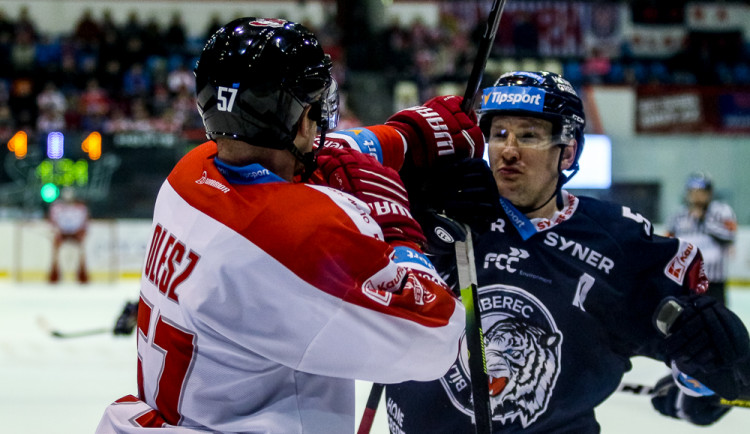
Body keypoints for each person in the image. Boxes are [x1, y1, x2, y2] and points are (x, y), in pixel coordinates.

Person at [96, 17, 484, 433]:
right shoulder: (299, 238)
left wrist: (405, 136)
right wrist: (396, 227)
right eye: (313, 106)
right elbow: (436, 340)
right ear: (301, 120)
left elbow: (318, 154)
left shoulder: (192, 174)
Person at [383, 71, 750, 433]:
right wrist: (409, 205)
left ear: (568, 151)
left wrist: (709, 373)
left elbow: (704, 367)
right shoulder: (437, 211)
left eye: (529, 136)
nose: (509, 150)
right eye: (499, 134)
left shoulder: (616, 242)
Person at [666, 173, 737, 306]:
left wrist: (705, 221)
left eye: (701, 192)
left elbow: (730, 236)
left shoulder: (722, 211)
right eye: (693, 192)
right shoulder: (677, 215)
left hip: (714, 279)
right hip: (686, 278)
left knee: (717, 319)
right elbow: (669, 241)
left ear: (709, 193)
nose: (697, 196)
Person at [48, 187, 89, 283]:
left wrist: (80, 233)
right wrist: (57, 231)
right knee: (55, 252)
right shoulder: (56, 207)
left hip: (76, 233)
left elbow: (84, 222)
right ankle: (55, 274)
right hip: (61, 233)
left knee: (81, 252)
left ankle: (82, 274)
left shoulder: (81, 207)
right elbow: (53, 222)